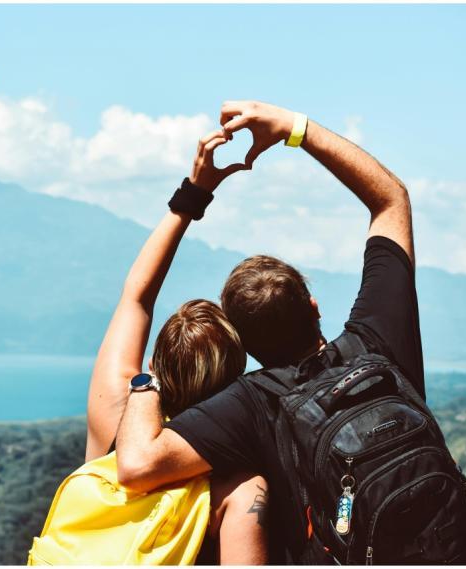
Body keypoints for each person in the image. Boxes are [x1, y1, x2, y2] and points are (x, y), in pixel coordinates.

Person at [114, 100, 428, 563]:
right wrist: (293, 128)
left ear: (243, 343)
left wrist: (148, 381)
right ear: (314, 307)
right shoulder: (379, 340)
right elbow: (390, 198)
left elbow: (137, 464)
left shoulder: (253, 404)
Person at [84, 128, 269, 564]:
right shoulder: (237, 483)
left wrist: (195, 194)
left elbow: (137, 295)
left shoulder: (114, 411)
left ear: (154, 363)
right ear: (235, 379)